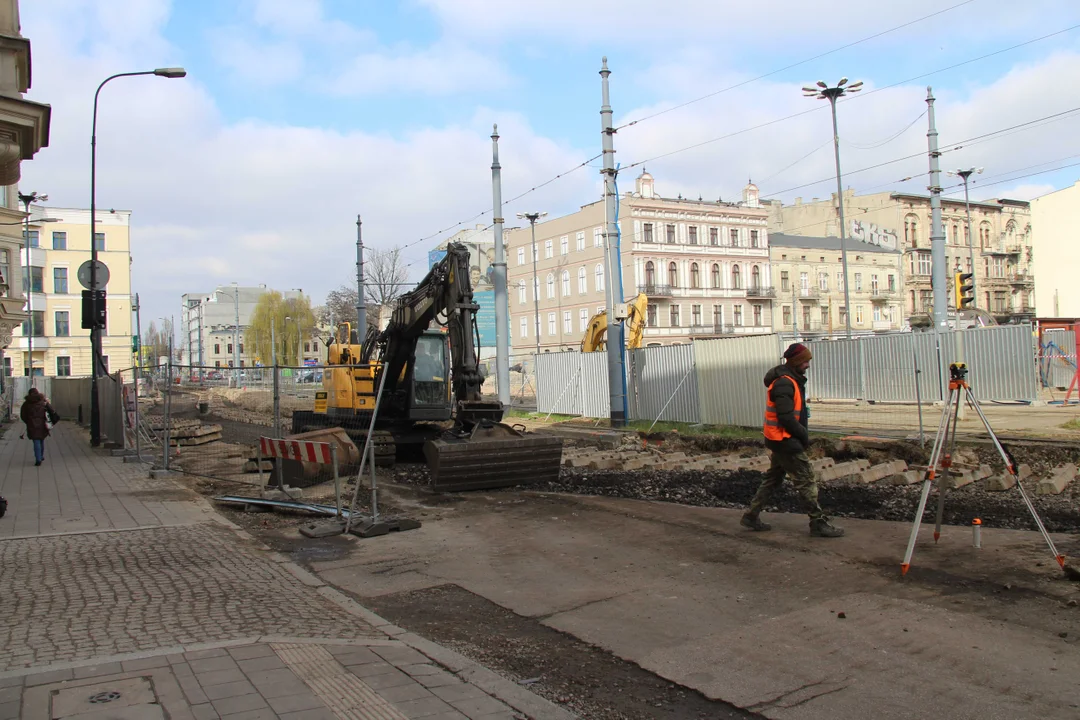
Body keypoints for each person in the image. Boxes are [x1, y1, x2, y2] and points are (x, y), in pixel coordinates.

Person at [742, 342, 845, 538]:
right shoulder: (784, 383)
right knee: (806, 480)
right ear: (797, 361)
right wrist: (803, 435)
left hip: (779, 439)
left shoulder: (790, 380)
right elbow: (786, 417)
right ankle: (818, 522)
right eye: (805, 361)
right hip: (785, 440)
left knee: (773, 479)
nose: (808, 365)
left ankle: (751, 515)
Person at [20, 387, 57, 467]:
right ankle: (41, 456)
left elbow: (23, 415)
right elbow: (52, 410)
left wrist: (28, 421)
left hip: (31, 424)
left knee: (36, 441)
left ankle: (38, 459)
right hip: (42, 424)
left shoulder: (26, 404)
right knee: (41, 439)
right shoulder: (42, 402)